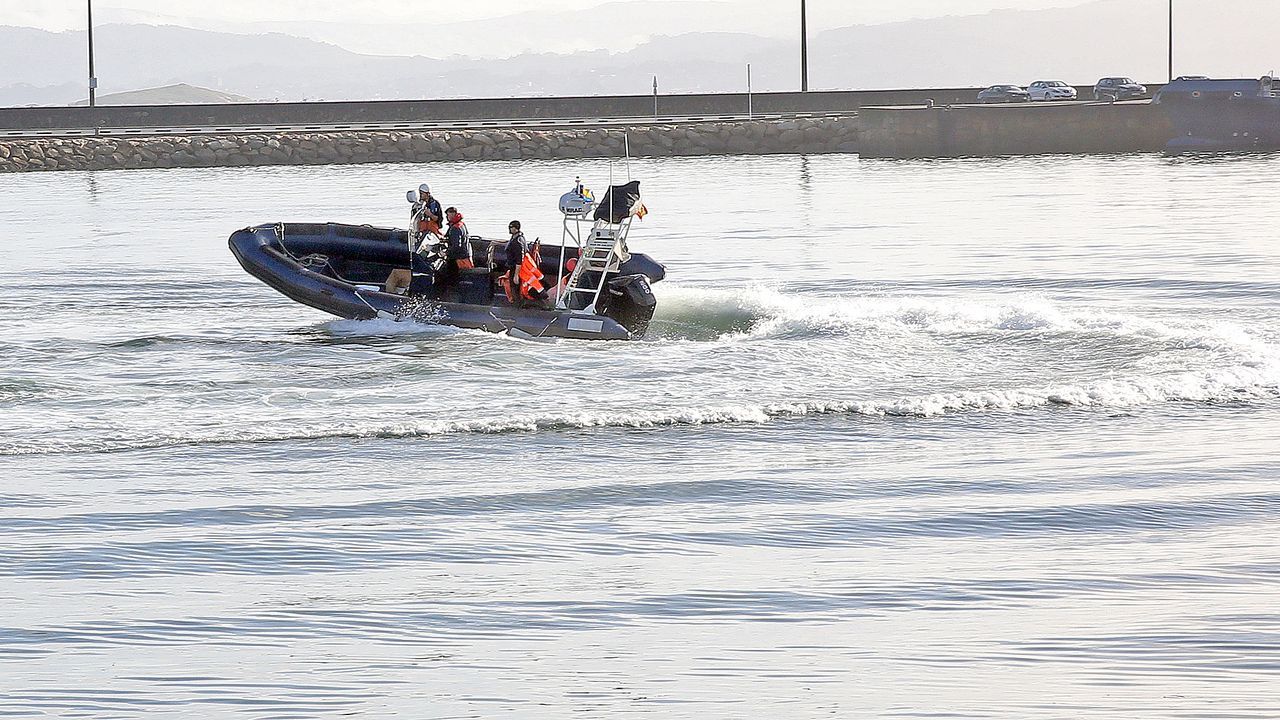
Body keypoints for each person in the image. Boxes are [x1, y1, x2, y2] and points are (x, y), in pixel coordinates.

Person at [439, 206, 473, 299]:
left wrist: (445, 253)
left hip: (458, 258)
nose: (447, 217)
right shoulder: (461, 224)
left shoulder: (455, 228)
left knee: (450, 276)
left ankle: (449, 295)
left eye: (448, 215)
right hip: (463, 255)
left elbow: (456, 245)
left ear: (453, 214)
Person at [502, 220, 529, 302]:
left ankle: (518, 303)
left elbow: (519, 259)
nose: (509, 229)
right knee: (514, 286)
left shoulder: (517, 242)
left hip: (515, 268)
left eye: (510, 227)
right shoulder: (518, 237)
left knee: (515, 287)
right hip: (513, 266)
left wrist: (516, 275)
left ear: (516, 228)